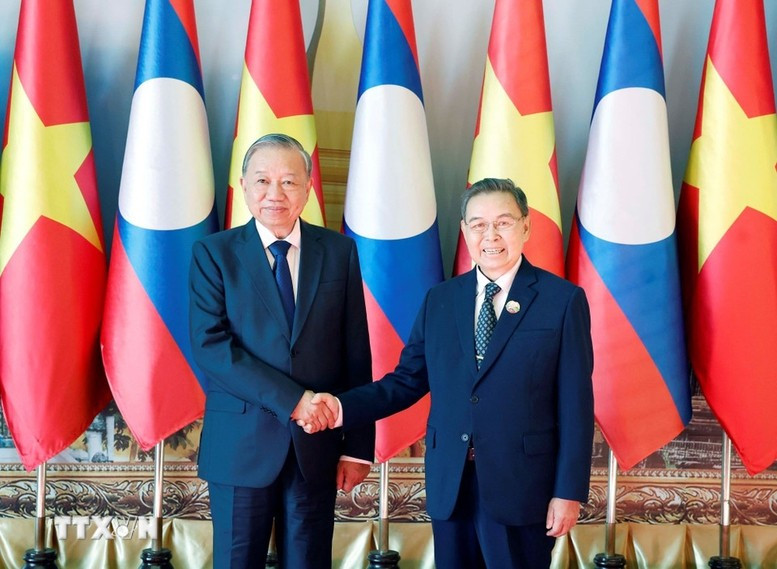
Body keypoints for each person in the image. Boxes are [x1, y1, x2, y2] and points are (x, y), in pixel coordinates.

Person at [303, 178, 594, 568]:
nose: (490, 235)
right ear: (464, 231)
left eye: (503, 222)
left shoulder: (562, 301)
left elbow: (576, 407)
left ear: (526, 226)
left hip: (522, 488)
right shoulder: (441, 299)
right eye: (478, 224)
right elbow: (406, 382)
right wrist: (340, 407)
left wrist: (568, 492)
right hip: (451, 484)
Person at [189, 133, 374, 569]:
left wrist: (358, 446)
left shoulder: (339, 252)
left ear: (308, 188)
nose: (275, 194)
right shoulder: (213, 254)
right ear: (243, 186)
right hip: (240, 448)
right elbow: (212, 347)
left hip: (317, 449)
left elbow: (356, 355)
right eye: (263, 181)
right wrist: (295, 402)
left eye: (289, 182)